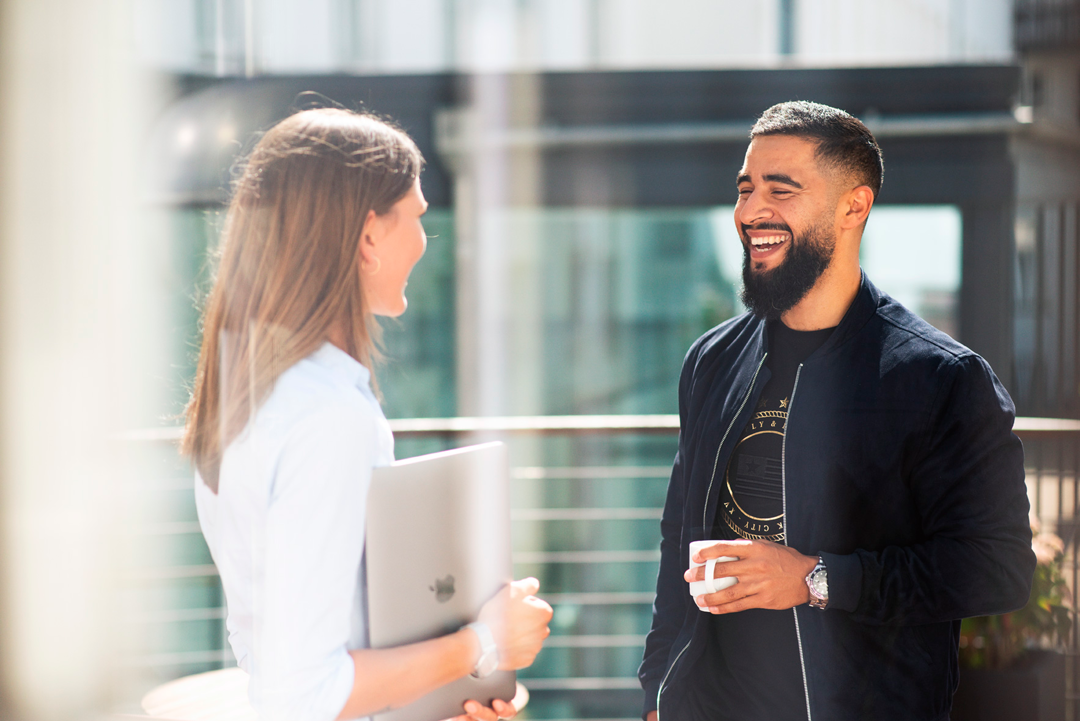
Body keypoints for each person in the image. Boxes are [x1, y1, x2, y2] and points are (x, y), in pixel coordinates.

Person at [638, 101, 1035, 721]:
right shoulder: (711, 359)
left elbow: (997, 568)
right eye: (745, 189)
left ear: (854, 206)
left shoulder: (939, 378)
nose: (750, 211)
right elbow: (677, 542)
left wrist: (815, 578)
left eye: (781, 189)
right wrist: (658, 690)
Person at [182, 108, 552, 721]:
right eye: (417, 218)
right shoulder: (327, 419)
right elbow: (302, 695)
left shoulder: (248, 393)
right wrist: (485, 643)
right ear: (369, 237)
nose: (424, 241)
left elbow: (280, 646)